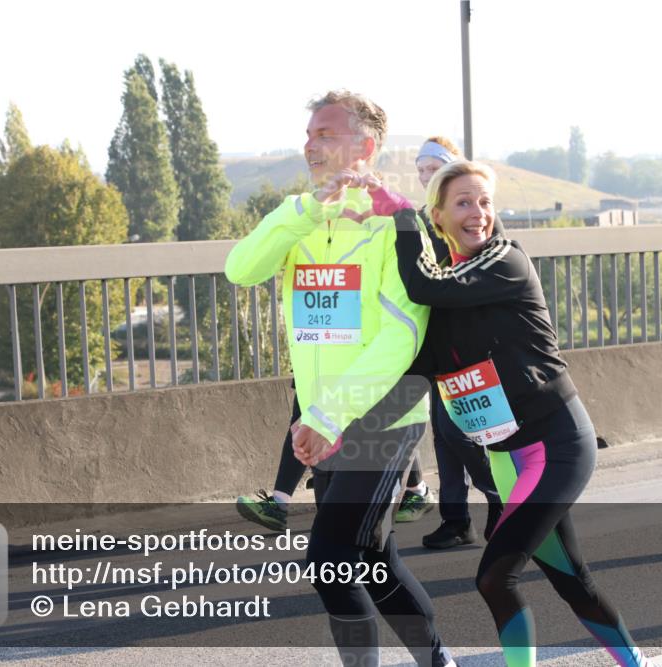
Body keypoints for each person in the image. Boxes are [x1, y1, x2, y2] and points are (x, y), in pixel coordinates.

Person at [389, 160, 655, 665]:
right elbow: (415, 362)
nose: (478, 213)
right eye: (464, 202)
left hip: (558, 443)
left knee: (495, 576)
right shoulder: (444, 301)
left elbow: (426, 285)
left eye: (485, 201)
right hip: (507, 458)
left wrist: (403, 219)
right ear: (440, 216)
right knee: (572, 581)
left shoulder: (506, 259)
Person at [225, 90, 455, 667]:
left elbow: (399, 337)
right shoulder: (300, 218)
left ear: (366, 146)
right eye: (309, 134)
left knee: (329, 559)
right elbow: (241, 268)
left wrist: (327, 415)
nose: (310, 144)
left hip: (383, 413)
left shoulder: (398, 222)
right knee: (373, 564)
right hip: (325, 415)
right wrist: (304, 212)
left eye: (325, 134)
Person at [414, 137, 504, 549]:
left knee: (465, 434)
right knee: (445, 435)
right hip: (437, 346)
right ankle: (457, 518)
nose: (426, 174)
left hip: (474, 350)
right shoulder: (421, 220)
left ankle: (503, 501)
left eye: (435, 167)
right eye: (421, 168)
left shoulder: (482, 223)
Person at [235, 389, 434, 532]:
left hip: (351, 360)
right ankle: (280, 503)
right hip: (318, 353)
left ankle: (418, 491)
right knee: (304, 419)